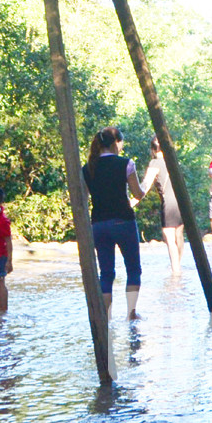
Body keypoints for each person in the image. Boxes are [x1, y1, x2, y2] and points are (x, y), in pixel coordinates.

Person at [83, 126, 147, 319]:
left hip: (99, 224)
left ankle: (106, 317)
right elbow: (137, 194)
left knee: (106, 272)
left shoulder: (87, 168)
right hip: (123, 221)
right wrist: (144, 187)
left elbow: (84, 199)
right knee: (133, 269)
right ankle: (131, 313)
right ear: (114, 143)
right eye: (121, 143)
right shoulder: (126, 164)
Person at [140, 136, 185, 275]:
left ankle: (176, 271)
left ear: (152, 149)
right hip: (181, 201)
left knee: (169, 239)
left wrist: (132, 200)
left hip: (169, 203)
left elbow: (145, 186)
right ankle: (179, 264)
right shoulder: (173, 161)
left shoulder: (155, 163)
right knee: (179, 235)